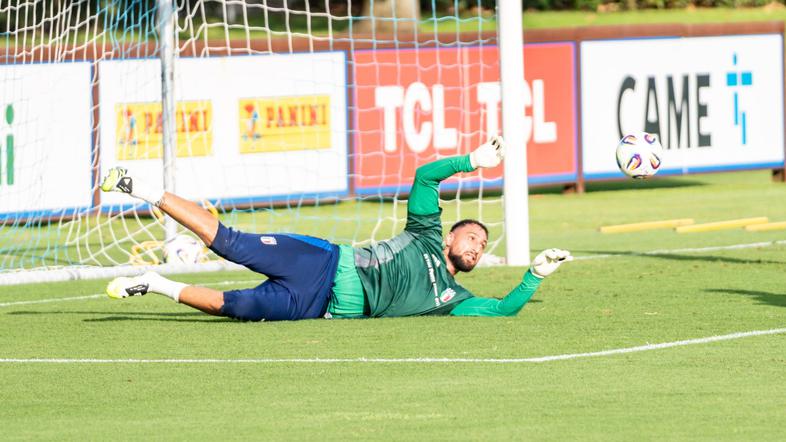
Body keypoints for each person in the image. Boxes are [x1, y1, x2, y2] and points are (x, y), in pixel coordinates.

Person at [101, 136, 572, 321]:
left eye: (483, 245)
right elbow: (425, 176)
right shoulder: (428, 232)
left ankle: (156, 283)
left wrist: (536, 273)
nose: (477, 245)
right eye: (472, 236)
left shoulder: (454, 301)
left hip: (318, 306)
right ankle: (141, 186)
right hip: (324, 261)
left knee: (237, 307)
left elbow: (505, 310)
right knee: (229, 244)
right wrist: (471, 161)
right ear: (450, 235)